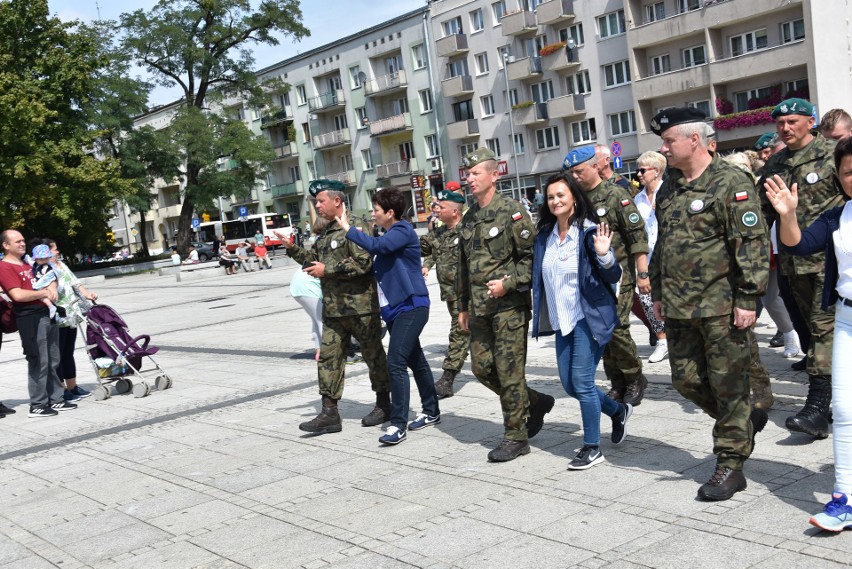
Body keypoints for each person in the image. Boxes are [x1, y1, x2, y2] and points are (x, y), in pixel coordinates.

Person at [649, 107, 769, 501]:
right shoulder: (670, 185)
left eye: (669, 141)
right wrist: (660, 292)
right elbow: (664, 242)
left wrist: (748, 297)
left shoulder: (730, 181)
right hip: (680, 305)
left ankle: (730, 465)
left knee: (729, 384)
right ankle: (742, 422)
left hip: (721, 304)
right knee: (685, 380)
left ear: (694, 140)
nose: (664, 148)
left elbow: (750, 243)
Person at [765, 135, 852, 531]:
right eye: (848, 172)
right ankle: (844, 499)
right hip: (848, 321)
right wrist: (788, 214)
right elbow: (798, 245)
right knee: (846, 411)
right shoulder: (837, 217)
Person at [457, 147, 554, 462]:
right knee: (481, 368)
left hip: (509, 309)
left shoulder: (512, 211)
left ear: (494, 174)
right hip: (480, 309)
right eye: (467, 174)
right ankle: (535, 401)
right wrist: (462, 307)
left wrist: (508, 283)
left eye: (475, 173)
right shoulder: (469, 217)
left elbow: (531, 260)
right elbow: (463, 266)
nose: (469, 179)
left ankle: (516, 436)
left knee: (510, 373)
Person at [531, 173, 631, 470]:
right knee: (571, 385)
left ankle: (592, 447)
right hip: (563, 321)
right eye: (551, 197)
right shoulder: (545, 237)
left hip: (588, 318)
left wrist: (605, 256)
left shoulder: (588, 233)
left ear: (574, 197)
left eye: (561, 195)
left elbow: (613, 276)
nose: (556, 201)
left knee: (583, 384)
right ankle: (616, 411)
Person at [758, 98, 844, 439]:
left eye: (793, 121)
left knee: (823, 329)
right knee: (809, 332)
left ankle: (816, 409)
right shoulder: (776, 162)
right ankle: (838, 395)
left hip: (830, 259)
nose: (785, 128)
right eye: (780, 123)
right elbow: (764, 210)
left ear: (810, 121)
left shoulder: (833, 154)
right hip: (794, 262)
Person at [276, 179, 391, 433]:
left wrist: (327, 270)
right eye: (316, 201)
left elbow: (363, 264)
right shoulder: (325, 233)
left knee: (373, 357)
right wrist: (292, 248)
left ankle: (384, 404)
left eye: (321, 201)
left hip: (360, 307)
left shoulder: (356, 226)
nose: (317, 205)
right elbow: (313, 263)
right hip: (334, 309)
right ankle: (329, 413)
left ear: (337, 201)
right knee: (328, 359)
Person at [337, 188, 440, 445]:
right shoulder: (390, 233)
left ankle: (398, 424)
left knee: (395, 362)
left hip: (412, 306)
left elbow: (378, 246)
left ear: (390, 213)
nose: (372, 214)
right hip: (395, 309)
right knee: (415, 361)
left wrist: (349, 229)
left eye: (376, 210)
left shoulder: (402, 231)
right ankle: (431, 411)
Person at [564, 145, 650, 407]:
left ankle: (634, 376)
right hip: (590, 276)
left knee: (618, 327)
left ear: (594, 167)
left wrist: (643, 272)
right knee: (601, 329)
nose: (575, 177)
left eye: (579, 171)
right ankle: (617, 382)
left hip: (618, 273)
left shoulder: (616, 195)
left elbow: (637, 234)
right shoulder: (575, 200)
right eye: (571, 173)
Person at [0, 230, 77, 417]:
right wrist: (43, 293)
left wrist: (50, 287)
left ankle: (56, 399)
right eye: (17, 241)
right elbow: (17, 295)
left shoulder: (27, 262)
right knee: (38, 361)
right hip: (30, 317)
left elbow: (49, 275)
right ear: (6, 245)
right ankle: (38, 404)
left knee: (53, 359)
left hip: (46, 314)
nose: (22, 243)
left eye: (23, 240)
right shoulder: (5, 267)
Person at [420, 190, 470, 398]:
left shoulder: (469, 232)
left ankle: (447, 379)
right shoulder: (439, 234)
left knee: (459, 333)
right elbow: (422, 248)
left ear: (455, 211)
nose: (436, 210)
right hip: (450, 294)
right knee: (467, 335)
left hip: (467, 295)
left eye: (441, 207)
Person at [40, 238, 96, 402]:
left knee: (68, 353)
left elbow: (76, 284)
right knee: (57, 355)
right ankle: (61, 390)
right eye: (55, 249)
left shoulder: (61, 265)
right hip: (58, 317)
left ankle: (72, 386)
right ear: (47, 252)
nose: (57, 252)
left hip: (71, 315)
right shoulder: (44, 270)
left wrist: (88, 295)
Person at [633, 151, 668, 363]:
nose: (638, 174)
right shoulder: (638, 198)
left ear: (657, 171)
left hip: (668, 257)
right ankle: (662, 340)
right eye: (638, 170)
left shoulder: (670, 191)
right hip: (648, 257)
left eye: (643, 170)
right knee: (646, 298)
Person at [30, 244, 62, 320]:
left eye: (46, 258)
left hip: (46, 281)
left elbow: (50, 276)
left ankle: (51, 306)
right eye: (41, 259)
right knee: (40, 293)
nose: (44, 260)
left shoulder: (48, 267)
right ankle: (51, 306)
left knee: (37, 290)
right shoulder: (36, 265)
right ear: (36, 259)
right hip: (44, 283)